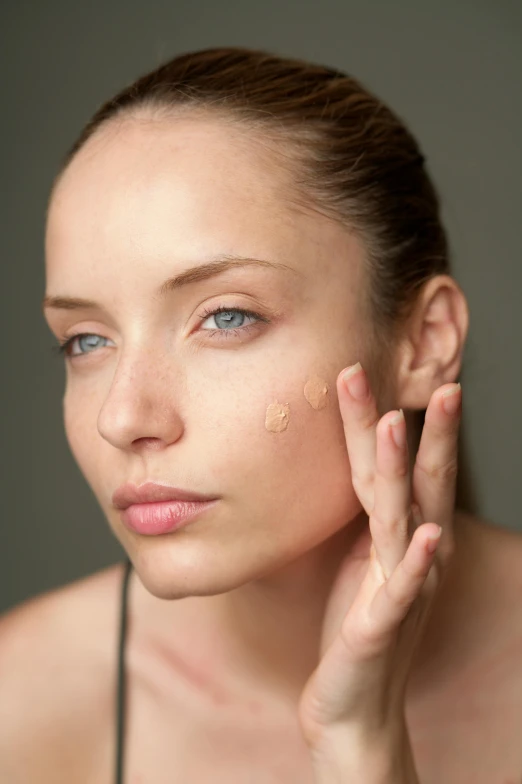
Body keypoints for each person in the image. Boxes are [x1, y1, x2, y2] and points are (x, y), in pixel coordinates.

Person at [1, 46, 521, 783]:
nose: (124, 417)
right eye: (86, 340)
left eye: (226, 318)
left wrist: (361, 746)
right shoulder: (21, 704)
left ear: (424, 342)